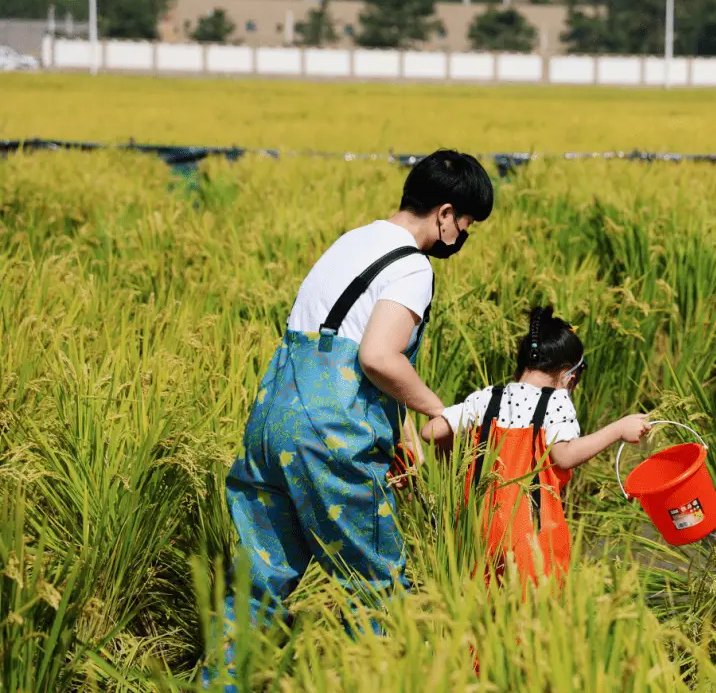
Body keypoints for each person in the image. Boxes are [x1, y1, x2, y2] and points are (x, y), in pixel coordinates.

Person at [203, 150, 493, 688]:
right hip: (329, 442)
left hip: (273, 423)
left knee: (259, 585)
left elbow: (336, 347)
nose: (462, 237)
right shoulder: (412, 266)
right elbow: (378, 358)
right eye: (467, 225)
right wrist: (437, 409)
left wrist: (402, 433)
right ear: (447, 214)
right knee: (379, 591)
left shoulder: (353, 240)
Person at [420, 306, 651, 586]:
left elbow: (430, 431)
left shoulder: (486, 398)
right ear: (569, 375)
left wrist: (452, 463)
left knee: (480, 610)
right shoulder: (556, 401)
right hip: (531, 533)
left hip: (477, 529)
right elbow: (564, 456)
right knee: (531, 619)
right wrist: (617, 429)